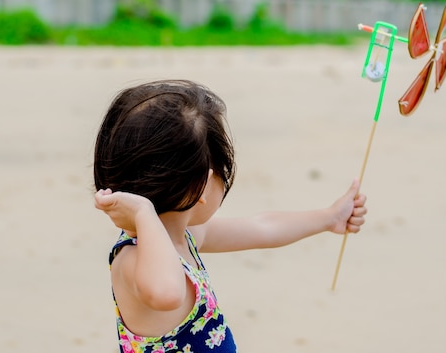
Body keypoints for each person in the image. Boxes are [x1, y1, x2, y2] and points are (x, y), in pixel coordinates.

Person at [93, 79, 368, 353]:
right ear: (201, 184)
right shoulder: (134, 259)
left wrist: (330, 217)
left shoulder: (184, 236)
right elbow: (167, 292)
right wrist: (143, 213)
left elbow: (262, 227)